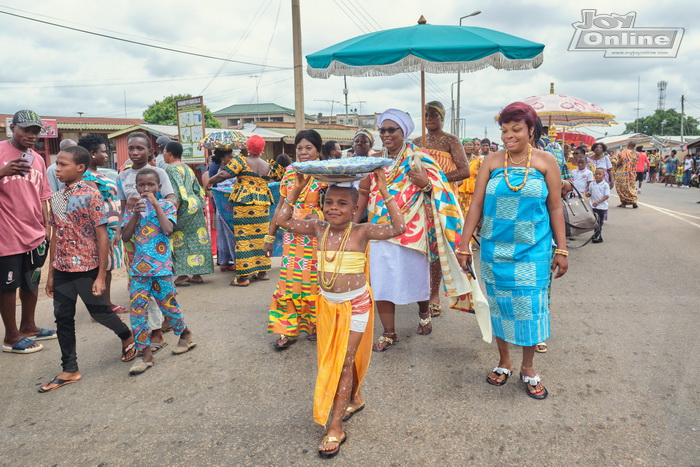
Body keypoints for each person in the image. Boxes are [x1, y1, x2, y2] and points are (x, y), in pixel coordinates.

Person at [277, 171, 405, 458]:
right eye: (329, 202)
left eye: (342, 204)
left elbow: (399, 227)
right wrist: (295, 190)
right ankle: (355, 398)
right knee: (334, 358)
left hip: (357, 305)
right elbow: (283, 221)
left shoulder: (363, 231)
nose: (334, 208)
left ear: (356, 209)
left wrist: (384, 191)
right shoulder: (318, 228)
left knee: (344, 362)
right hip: (327, 306)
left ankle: (335, 426)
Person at [457, 102, 568, 399]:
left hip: (534, 251)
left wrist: (563, 249)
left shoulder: (546, 162)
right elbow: (476, 204)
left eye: (516, 129)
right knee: (500, 306)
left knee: (530, 309)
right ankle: (504, 361)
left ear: (531, 130)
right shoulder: (492, 162)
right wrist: (464, 244)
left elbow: (555, 207)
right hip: (495, 250)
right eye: (504, 130)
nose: (509, 135)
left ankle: (528, 367)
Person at [356, 109, 480, 351]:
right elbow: (364, 189)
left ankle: (424, 313)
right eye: (382, 130)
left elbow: (442, 186)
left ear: (404, 132)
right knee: (381, 281)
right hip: (379, 228)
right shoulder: (376, 159)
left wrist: (427, 184)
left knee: (415, 277)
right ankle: (389, 333)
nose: (386, 134)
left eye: (392, 129)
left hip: (412, 228)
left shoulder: (419, 156)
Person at [41, 146, 137, 392]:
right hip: (62, 267)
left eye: (63, 164)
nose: (57, 168)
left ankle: (126, 335)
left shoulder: (91, 195)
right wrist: (51, 273)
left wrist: (101, 276)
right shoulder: (58, 198)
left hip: (86, 266)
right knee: (62, 318)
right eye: (57, 164)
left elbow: (101, 235)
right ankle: (70, 369)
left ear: (80, 168)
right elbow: (56, 235)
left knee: (101, 312)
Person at [121, 168, 196, 375]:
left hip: (161, 268)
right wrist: (135, 215)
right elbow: (126, 237)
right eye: (142, 185)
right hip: (139, 270)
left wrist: (156, 205)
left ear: (159, 187)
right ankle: (146, 355)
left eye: (151, 185)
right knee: (137, 312)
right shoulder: (132, 208)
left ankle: (186, 334)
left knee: (169, 307)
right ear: (136, 187)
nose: (146, 189)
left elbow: (168, 229)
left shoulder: (166, 205)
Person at [265, 130, 327, 349]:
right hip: (292, 239)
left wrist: (319, 217)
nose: (303, 152)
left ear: (318, 150)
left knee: (314, 285)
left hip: (317, 239)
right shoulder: (290, 172)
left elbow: (335, 208)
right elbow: (281, 207)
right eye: (299, 148)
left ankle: (316, 326)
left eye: (308, 148)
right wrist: (270, 237)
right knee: (289, 284)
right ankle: (286, 330)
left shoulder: (326, 174)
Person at [0, 110, 55, 354]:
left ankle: (29, 326)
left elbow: (44, 195)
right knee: (8, 284)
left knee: (31, 280)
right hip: (6, 232)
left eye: (36, 131)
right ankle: (11, 337)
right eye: (26, 130)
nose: (32, 136)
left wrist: (46, 225)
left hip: (34, 231)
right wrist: (3, 172)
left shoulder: (38, 159)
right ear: (12, 128)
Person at [116, 132, 177, 350]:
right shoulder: (122, 177)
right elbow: (123, 208)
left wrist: (156, 206)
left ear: (149, 151)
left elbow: (171, 199)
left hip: (156, 238)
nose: (134, 152)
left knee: (159, 284)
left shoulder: (159, 172)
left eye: (140, 148)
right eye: (131, 148)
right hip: (132, 238)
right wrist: (119, 231)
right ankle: (149, 330)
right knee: (139, 287)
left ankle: (158, 331)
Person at [411, 101, 470, 318]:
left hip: (442, 199)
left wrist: (436, 180)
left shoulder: (451, 140)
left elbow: (464, 170)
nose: (429, 118)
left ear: (442, 118)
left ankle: (434, 294)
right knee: (419, 246)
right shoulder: (416, 142)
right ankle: (419, 290)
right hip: (418, 199)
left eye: (434, 115)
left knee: (437, 246)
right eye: (426, 114)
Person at [207, 135, 284, 286]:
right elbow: (279, 177)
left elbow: (223, 174)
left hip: (245, 204)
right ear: (262, 149)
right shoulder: (268, 165)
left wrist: (210, 181)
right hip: (262, 205)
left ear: (248, 148)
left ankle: (243, 277)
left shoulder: (241, 161)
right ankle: (262, 272)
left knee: (243, 238)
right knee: (261, 236)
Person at [78, 134, 126, 314]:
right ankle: (99, 308)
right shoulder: (86, 177)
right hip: (100, 230)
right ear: (92, 154)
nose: (106, 155)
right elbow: (94, 204)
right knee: (100, 269)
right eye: (103, 152)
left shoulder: (100, 174)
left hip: (111, 230)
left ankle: (107, 303)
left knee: (107, 269)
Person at [163, 141, 214, 286]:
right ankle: (197, 274)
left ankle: (183, 274)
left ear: (170, 154)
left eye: (164, 152)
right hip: (195, 204)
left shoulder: (171, 169)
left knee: (179, 239)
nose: (163, 154)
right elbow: (197, 188)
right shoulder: (187, 168)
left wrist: (173, 213)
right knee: (196, 239)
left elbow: (176, 192)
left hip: (183, 206)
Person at [204, 148, 236, 271]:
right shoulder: (224, 171)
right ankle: (231, 260)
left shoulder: (218, 170)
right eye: (229, 156)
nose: (232, 158)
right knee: (228, 234)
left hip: (221, 206)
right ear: (223, 159)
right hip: (227, 207)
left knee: (223, 234)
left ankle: (224, 261)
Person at [457, 138, 482, 218]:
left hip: (473, 191)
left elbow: (481, 176)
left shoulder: (479, 160)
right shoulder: (458, 160)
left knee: (471, 211)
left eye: (471, 145)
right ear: (462, 146)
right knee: (459, 211)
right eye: (466, 145)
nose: (469, 147)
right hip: (460, 189)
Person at [589, 168, 610, 244]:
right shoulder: (592, 184)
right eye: (596, 174)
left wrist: (598, 202)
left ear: (604, 175)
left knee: (599, 222)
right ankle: (596, 234)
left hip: (602, 207)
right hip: (593, 206)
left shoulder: (605, 185)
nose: (597, 176)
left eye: (599, 174)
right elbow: (590, 193)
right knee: (595, 221)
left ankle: (598, 235)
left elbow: (606, 196)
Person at [615, 141, 639, 208]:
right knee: (631, 187)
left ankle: (623, 203)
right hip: (632, 174)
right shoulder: (637, 154)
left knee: (622, 188)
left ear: (628, 145)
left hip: (623, 173)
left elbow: (619, 162)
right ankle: (634, 201)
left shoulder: (624, 152)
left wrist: (616, 167)